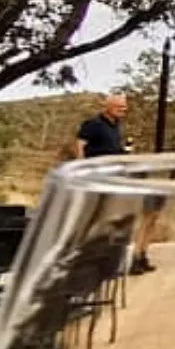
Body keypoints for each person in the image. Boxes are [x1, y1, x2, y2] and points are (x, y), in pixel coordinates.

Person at [74, 94, 154, 272]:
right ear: (108, 107)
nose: (123, 110)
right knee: (97, 220)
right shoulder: (93, 124)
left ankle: (114, 260)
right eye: (119, 107)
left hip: (115, 178)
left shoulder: (116, 126)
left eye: (124, 107)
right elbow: (80, 146)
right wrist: (82, 171)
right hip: (97, 178)